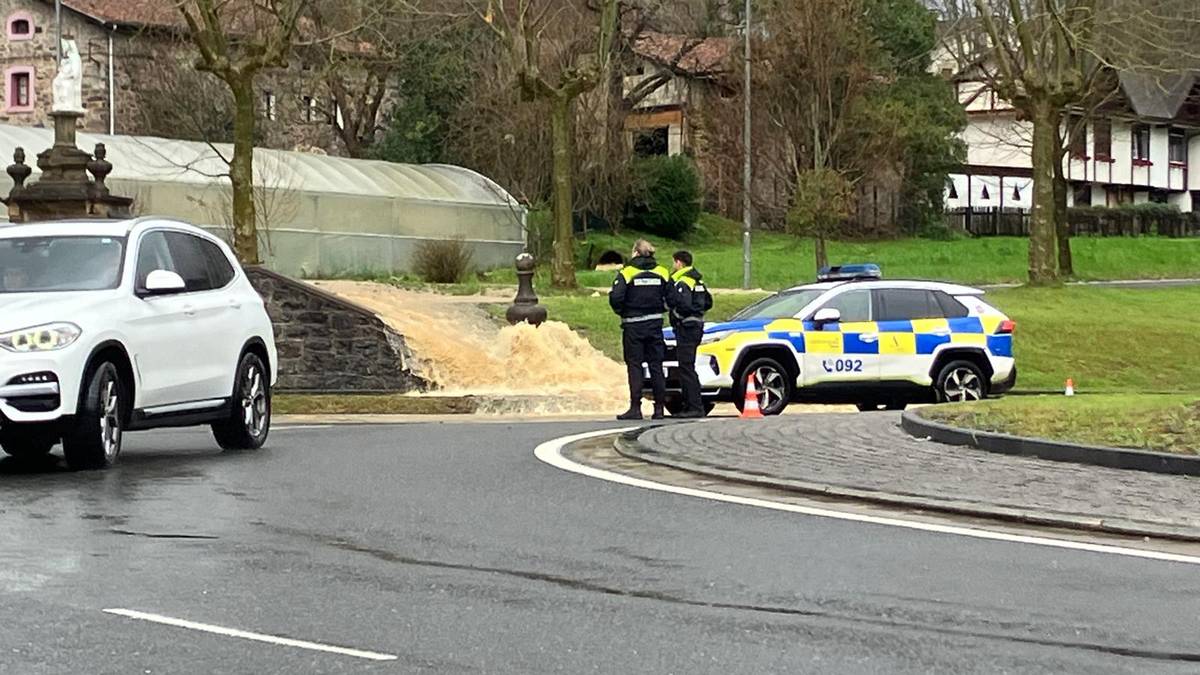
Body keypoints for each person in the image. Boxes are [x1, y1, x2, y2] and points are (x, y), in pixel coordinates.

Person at [609, 239, 670, 420]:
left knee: (635, 366)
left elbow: (616, 298)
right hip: (655, 324)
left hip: (633, 324)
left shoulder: (627, 273)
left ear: (635, 252)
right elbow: (671, 297)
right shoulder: (662, 272)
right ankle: (659, 408)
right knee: (656, 365)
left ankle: (635, 407)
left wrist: (623, 311)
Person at [667, 250, 713, 418]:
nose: (673, 266)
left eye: (674, 262)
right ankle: (690, 406)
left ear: (679, 263)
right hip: (697, 326)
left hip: (686, 328)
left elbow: (683, 304)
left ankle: (694, 406)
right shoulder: (697, 280)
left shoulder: (683, 281)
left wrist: (678, 315)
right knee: (687, 366)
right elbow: (708, 301)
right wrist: (698, 312)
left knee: (686, 368)